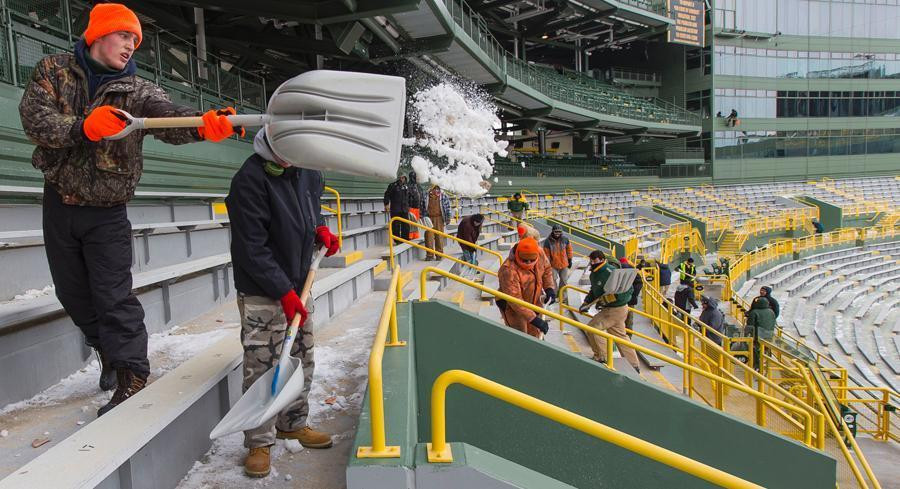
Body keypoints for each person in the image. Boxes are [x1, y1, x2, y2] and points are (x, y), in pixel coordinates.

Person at [19, 3, 241, 417]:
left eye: (134, 40)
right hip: (59, 201)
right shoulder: (53, 70)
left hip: (108, 210)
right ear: (99, 34)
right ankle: (105, 349)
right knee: (72, 293)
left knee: (113, 296)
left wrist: (206, 123)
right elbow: (34, 120)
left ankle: (132, 375)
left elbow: (171, 119)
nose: (130, 45)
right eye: (124, 36)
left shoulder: (137, 91)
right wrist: (82, 126)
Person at [226, 130, 341, 478]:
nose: (291, 160)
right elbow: (252, 248)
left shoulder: (308, 171)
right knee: (263, 362)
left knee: (302, 356)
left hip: (299, 282)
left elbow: (311, 212)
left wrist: (320, 229)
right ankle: (259, 440)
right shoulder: (249, 180)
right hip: (262, 289)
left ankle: (293, 422)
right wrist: (282, 291)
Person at [579, 250, 641, 373]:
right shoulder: (594, 273)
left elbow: (626, 290)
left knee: (593, 328)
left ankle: (602, 357)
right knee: (620, 335)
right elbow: (594, 290)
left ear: (601, 260)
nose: (592, 262)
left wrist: (612, 299)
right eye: (591, 260)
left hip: (615, 309)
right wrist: (586, 302)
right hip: (613, 309)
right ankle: (633, 364)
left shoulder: (610, 272)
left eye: (594, 260)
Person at [497, 237, 555, 338]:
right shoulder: (508, 270)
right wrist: (533, 319)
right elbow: (515, 300)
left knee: (535, 333)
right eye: (525, 260)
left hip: (534, 301)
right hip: (513, 308)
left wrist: (549, 288)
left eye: (531, 260)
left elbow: (547, 269)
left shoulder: (540, 253)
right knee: (521, 337)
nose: (528, 263)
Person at [746, 296, 776, 367]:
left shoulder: (754, 312)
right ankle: (767, 365)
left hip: (757, 336)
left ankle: (757, 365)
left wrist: (747, 335)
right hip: (769, 335)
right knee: (766, 349)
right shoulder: (771, 312)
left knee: (755, 350)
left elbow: (750, 325)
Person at [542, 224, 573, 293]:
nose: (557, 233)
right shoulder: (547, 241)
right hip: (553, 265)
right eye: (556, 232)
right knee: (552, 280)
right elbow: (546, 255)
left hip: (564, 264)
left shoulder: (565, 239)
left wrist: (570, 259)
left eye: (559, 232)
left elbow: (569, 250)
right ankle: (554, 295)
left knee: (564, 281)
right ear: (553, 231)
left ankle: (563, 296)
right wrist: (547, 265)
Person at [424, 184, 451, 261]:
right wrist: (423, 217)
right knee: (428, 237)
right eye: (434, 188)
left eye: (437, 188)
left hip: (439, 218)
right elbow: (422, 206)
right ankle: (429, 255)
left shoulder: (443, 196)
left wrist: (448, 217)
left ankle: (439, 255)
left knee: (439, 237)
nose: (435, 190)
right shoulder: (426, 195)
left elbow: (448, 207)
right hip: (429, 218)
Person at [384, 174, 411, 240]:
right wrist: (386, 204)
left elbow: (409, 197)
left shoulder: (407, 186)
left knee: (406, 225)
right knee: (395, 225)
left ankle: (405, 238)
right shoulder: (393, 185)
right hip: (395, 209)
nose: (402, 179)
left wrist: (409, 206)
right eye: (401, 177)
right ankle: (397, 239)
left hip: (404, 209)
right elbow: (387, 195)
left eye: (404, 177)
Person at [619, 257, 643, 332]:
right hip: (630, 300)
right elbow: (639, 283)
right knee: (629, 319)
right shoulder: (633, 270)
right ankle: (628, 337)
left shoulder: (616, 270)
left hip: (618, 300)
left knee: (619, 319)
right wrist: (633, 295)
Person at [407, 171, 423, 240]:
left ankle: (415, 235)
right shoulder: (408, 186)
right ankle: (410, 235)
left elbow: (421, 196)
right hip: (411, 207)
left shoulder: (418, 186)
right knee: (411, 222)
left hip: (417, 207)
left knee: (415, 222)